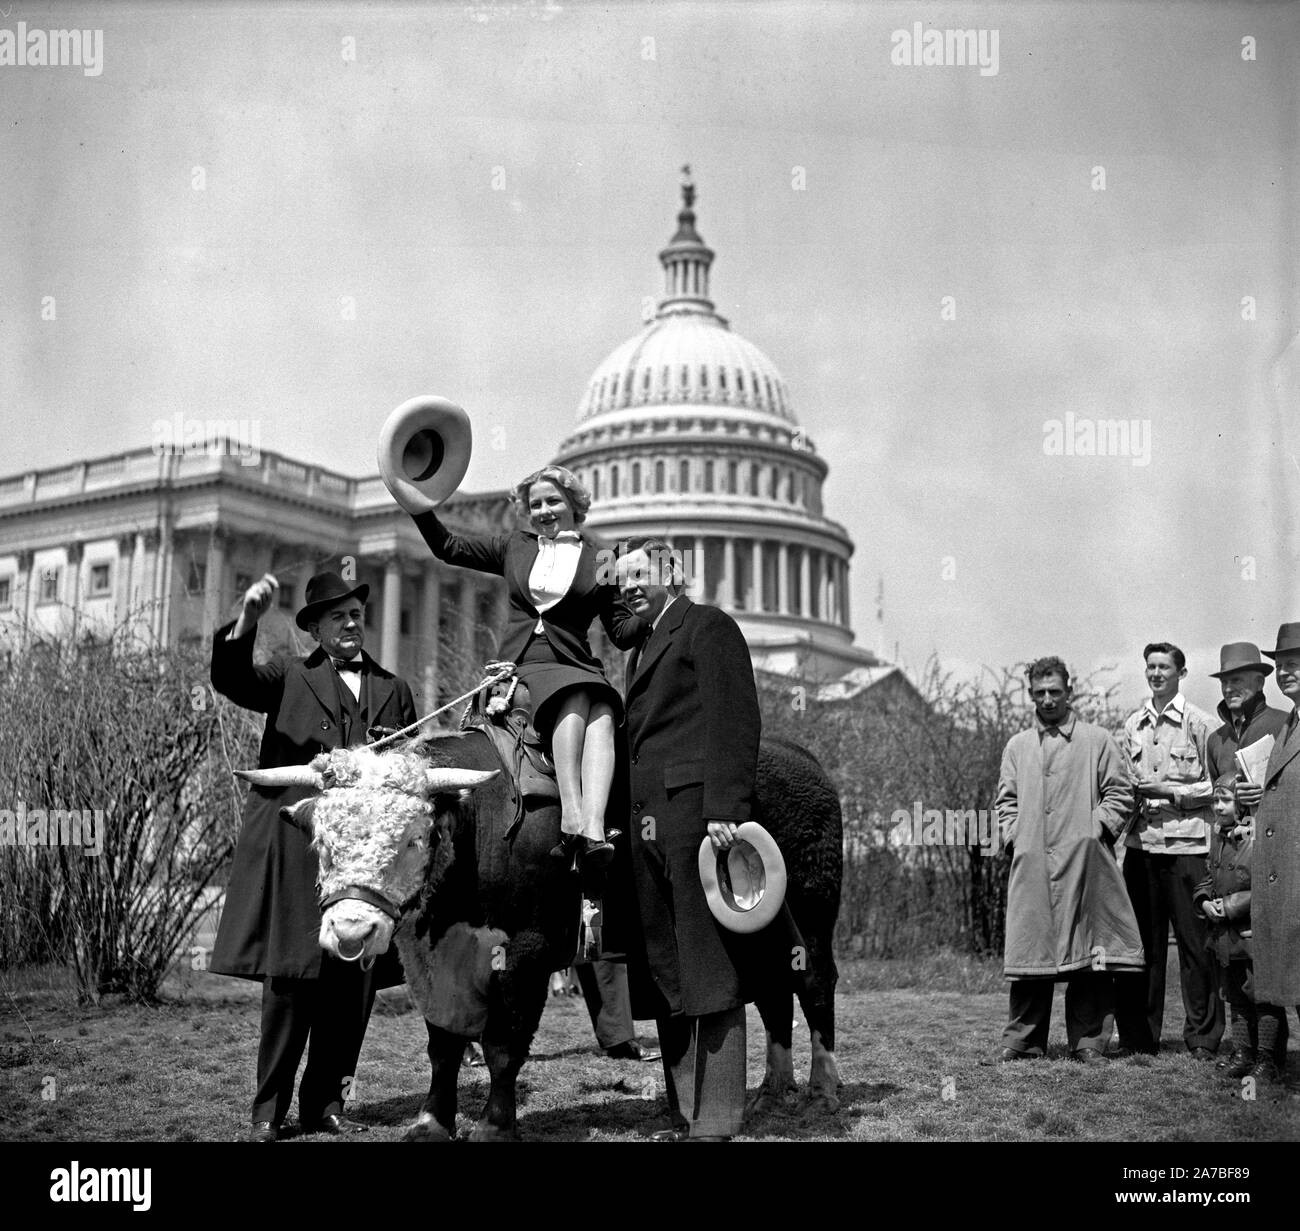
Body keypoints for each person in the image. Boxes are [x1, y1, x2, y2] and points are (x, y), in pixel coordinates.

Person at [211, 571, 417, 1141]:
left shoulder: (394, 688)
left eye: (356, 615)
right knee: (291, 982)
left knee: (352, 984)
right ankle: (267, 1113)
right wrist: (247, 620)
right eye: (337, 618)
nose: (350, 625)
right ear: (317, 629)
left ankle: (328, 1103)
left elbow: (404, 772)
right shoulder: (287, 677)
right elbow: (232, 679)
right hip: (298, 851)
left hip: (364, 866)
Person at [410, 465, 643, 865]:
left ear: (574, 505)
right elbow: (447, 547)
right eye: (534, 504)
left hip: (575, 660)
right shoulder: (513, 546)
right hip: (523, 664)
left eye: (553, 501)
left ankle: (594, 826)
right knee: (577, 695)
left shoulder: (601, 558)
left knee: (604, 710)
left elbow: (620, 631)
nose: (543, 511)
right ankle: (573, 816)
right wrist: (416, 504)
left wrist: (660, 607)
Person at [614, 538, 763, 1140]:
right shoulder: (642, 646)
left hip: (696, 820)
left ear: (672, 577)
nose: (627, 588)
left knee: (710, 964)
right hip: (648, 826)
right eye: (619, 579)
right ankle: (683, 1107)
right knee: (666, 968)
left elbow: (736, 717)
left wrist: (725, 808)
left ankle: (720, 1115)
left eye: (639, 577)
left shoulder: (709, 626)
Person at [996, 656, 1143, 1064]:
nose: (1047, 700)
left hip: (1086, 864)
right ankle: (1022, 1041)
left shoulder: (1097, 740)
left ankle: (1090, 1042)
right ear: (1030, 695)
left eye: (1055, 692)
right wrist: (1016, 840)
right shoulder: (1017, 747)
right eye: (1039, 693)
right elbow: (1005, 803)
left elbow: (1120, 794)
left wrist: (1094, 831)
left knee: (1090, 954)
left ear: (1070, 691)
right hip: (1034, 865)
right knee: (1030, 954)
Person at [1114, 642, 1221, 1058]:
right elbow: (1124, 785)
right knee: (1142, 947)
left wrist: (1171, 792)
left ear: (1181, 672)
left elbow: (1218, 788)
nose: (1156, 673)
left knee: (1196, 946)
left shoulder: (1200, 723)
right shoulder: (1132, 724)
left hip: (1188, 848)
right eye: (1150, 667)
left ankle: (1203, 1039)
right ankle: (1140, 1039)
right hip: (1142, 847)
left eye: (1165, 667)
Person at [1250, 622, 1300, 1087]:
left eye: (1294, 663)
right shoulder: (1289, 722)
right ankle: (1269, 1059)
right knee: (1271, 970)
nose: (1286, 672)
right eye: (1281, 665)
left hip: (1296, 871)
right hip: (1275, 869)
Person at [1193, 774, 1258, 1079]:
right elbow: (1208, 877)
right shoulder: (1218, 838)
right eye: (1215, 800)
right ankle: (1243, 1053)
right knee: (1234, 995)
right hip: (1224, 936)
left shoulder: (1254, 841)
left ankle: (1267, 1057)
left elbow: (1263, 889)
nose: (1217, 807)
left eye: (1225, 800)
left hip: (1248, 934)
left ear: (1242, 804)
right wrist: (1205, 900)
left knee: (1257, 995)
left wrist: (1229, 907)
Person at [1205, 641, 1290, 807]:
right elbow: (1217, 804)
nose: (1228, 689)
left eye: (1236, 680)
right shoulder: (1215, 740)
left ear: (1260, 682)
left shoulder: (1287, 724)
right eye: (1224, 682)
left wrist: (1266, 793)